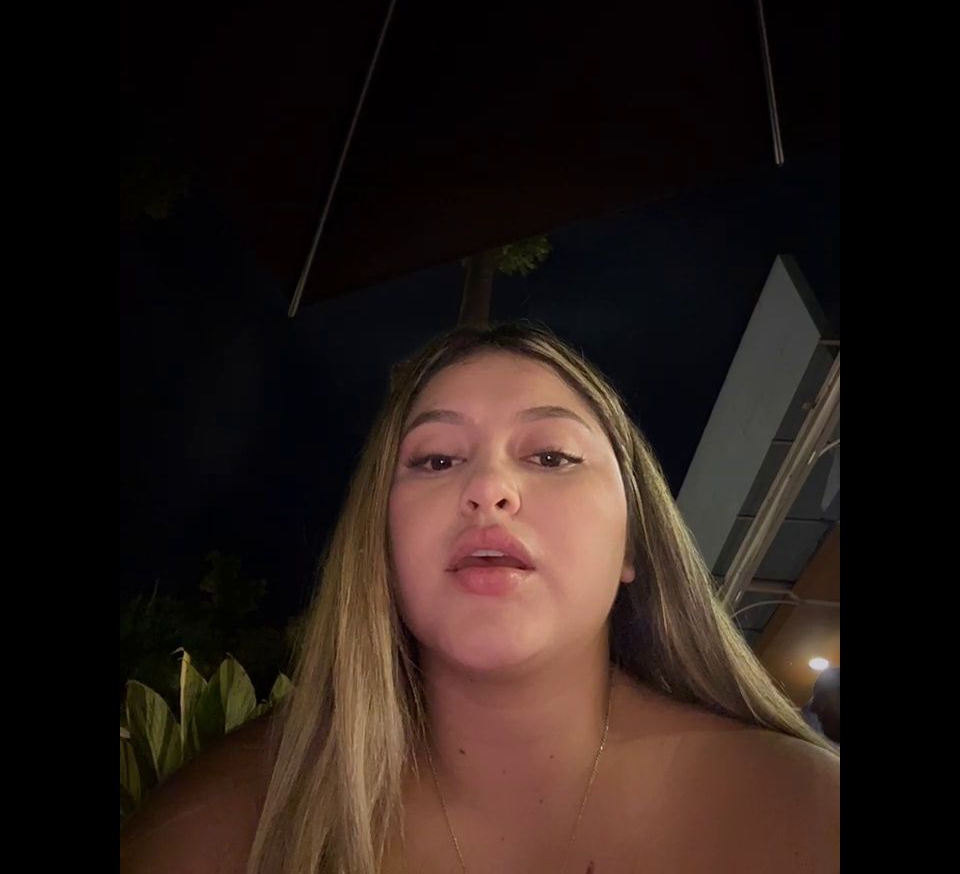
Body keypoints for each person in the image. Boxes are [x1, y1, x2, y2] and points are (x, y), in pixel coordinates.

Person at [121, 323, 840, 874]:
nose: (488, 488)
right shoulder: (213, 835)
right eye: (436, 459)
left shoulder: (807, 813)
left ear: (632, 545)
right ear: (379, 543)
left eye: (551, 455)